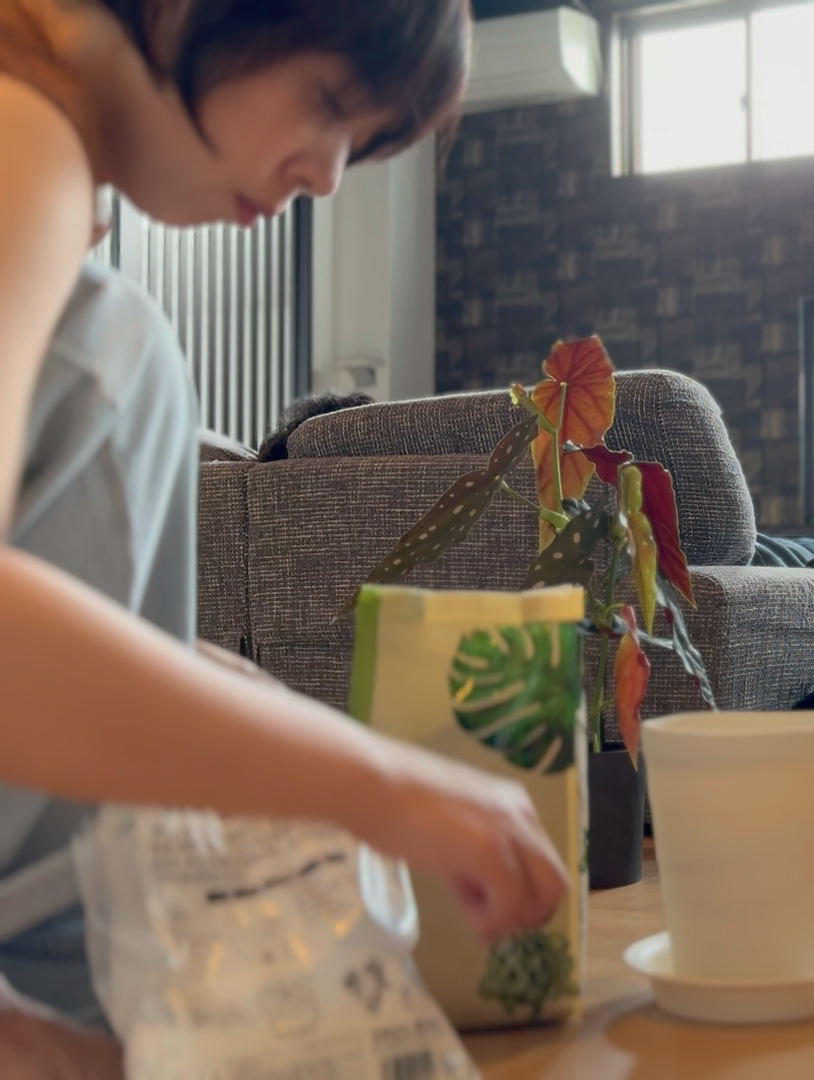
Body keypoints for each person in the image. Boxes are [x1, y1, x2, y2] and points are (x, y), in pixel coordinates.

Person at [0, 0, 566, 1064]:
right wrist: (375, 784)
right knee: (116, 345)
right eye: (327, 101)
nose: (328, 176)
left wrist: (232, 705)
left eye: (363, 142)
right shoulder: (21, 129)